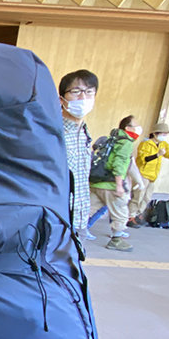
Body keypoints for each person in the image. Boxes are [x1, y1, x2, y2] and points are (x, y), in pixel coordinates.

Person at [89, 114, 142, 252]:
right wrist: (119, 185)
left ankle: (69, 234)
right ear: (127, 127)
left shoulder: (111, 139)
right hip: (111, 185)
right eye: (136, 126)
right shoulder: (125, 142)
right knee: (120, 212)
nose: (138, 128)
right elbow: (119, 163)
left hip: (97, 182)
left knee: (86, 210)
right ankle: (116, 240)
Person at [58, 69, 97, 240]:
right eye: (76, 92)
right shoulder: (53, 132)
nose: (83, 98)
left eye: (89, 92)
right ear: (62, 99)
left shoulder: (84, 133)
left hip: (79, 218)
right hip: (58, 217)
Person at [128, 122, 169, 228]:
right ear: (155, 133)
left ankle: (138, 214)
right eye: (163, 134)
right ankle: (130, 216)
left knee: (147, 197)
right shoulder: (145, 144)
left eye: (166, 134)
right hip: (143, 174)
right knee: (138, 196)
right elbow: (144, 159)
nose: (164, 136)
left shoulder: (163, 144)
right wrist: (157, 155)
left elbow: (168, 155)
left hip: (153, 175)